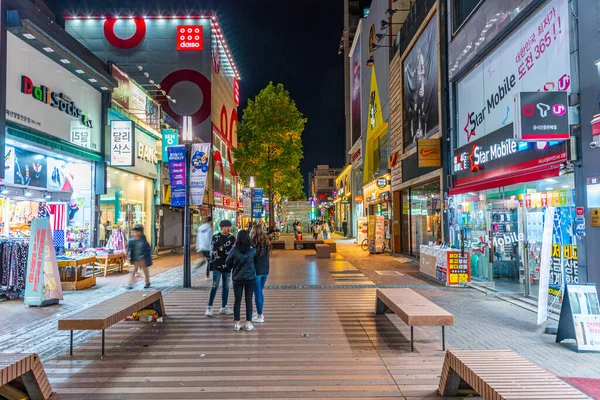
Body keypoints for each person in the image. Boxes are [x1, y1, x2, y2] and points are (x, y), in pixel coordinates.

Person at [226, 230, 257, 331]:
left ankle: (237, 323)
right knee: (249, 300)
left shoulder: (234, 250)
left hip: (237, 278)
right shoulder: (253, 250)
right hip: (250, 278)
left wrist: (233, 268)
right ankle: (248, 323)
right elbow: (256, 262)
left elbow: (228, 263)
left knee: (237, 301)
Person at [205, 220, 236, 317]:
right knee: (215, 285)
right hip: (216, 264)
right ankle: (209, 307)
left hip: (227, 265)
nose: (229, 228)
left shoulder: (232, 238)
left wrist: (222, 249)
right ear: (222, 227)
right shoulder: (215, 237)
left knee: (226, 286)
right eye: (226, 226)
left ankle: (224, 306)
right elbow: (216, 249)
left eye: (230, 226)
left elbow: (231, 250)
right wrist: (224, 250)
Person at [250, 224, 270, 323]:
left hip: (256, 271)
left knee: (257, 292)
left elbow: (252, 258)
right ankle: (259, 312)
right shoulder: (266, 242)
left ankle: (260, 315)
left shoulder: (252, 244)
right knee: (259, 292)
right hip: (265, 271)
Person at [127, 224, 152, 289]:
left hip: (142, 258)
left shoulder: (143, 240)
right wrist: (129, 256)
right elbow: (130, 249)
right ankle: (131, 283)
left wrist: (144, 256)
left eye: (137, 232)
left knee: (144, 270)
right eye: (134, 232)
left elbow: (147, 249)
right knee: (134, 270)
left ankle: (147, 282)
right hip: (136, 258)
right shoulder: (131, 240)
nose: (135, 233)